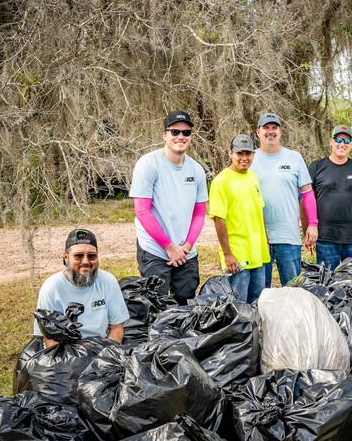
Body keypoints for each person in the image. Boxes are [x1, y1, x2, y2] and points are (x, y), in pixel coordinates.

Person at [130, 110, 208, 305]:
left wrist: (186, 247)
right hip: (156, 250)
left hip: (186, 251)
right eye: (175, 132)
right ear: (165, 135)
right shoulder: (148, 164)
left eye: (186, 132)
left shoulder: (197, 170)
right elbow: (142, 211)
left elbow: (199, 213)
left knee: (186, 303)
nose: (180, 136)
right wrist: (169, 247)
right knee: (157, 305)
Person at [250, 112, 318, 287]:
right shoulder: (249, 159)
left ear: (280, 132)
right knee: (259, 292)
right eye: (266, 128)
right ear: (258, 132)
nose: (270, 132)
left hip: (288, 236)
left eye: (275, 128)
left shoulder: (294, 157)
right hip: (258, 237)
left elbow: (307, 193)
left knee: (292, 289)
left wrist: (312, 224)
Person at [35, 229, 129, 348]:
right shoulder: (52, 288)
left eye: (92, 256)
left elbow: (116, 328)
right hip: (65, 351)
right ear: (66, 257)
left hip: (103, 348)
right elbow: (51, 341)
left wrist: (106, 358)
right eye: (78, 256)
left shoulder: (108, 281)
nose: (85, 261)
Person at [208, 134, 270, 304]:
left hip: (258, 254)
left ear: (253, 155)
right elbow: (218, 219)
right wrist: (228, 254)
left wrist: (266, 241)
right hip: (237, 257)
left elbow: (259, 211)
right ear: (230, 153)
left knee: (258, 304)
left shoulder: (252, 177)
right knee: (238, 306)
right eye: (239, 153)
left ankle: (254, 332)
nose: (244, 158)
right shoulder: (221, 182)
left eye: (248, 154)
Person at [308, 124, 352, 271]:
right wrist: (309, 227)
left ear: (351, 144)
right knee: (327, 283)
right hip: (326, 237)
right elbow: (306, 200)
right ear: (331, 141)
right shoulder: (317, 167)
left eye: (346, 141)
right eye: (338, 139)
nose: (342, 144)